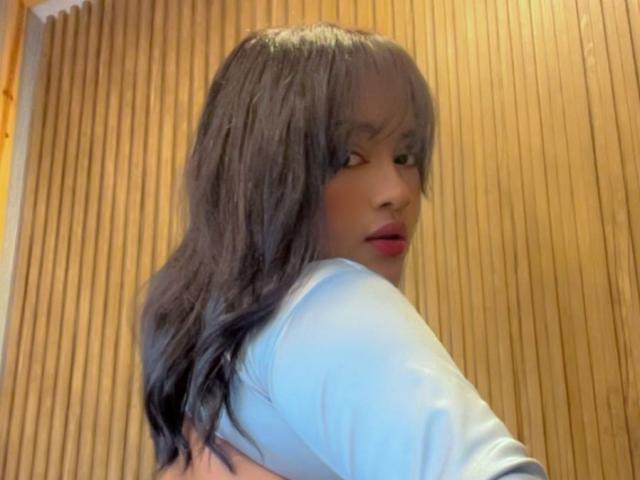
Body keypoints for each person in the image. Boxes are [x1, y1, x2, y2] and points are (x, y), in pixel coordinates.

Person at [141, 23, 548, 479]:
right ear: (261, 170)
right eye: (347, 157)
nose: (398, 192)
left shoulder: (220, 340)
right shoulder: (327, 297)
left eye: (406, 157)